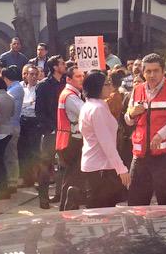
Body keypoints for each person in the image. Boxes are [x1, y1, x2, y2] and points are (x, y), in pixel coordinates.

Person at [124, 53, 166, 205]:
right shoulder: (137, 90)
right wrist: (132, 113)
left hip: (164, 158)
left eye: (156, 71)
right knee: (135, 204)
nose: (152, 75)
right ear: (143, 72)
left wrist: (162, 133)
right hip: (139, 158)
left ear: (163, 71)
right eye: (148, 71)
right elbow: (128, 121)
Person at [79, 70, 130, 208]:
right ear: (97, 87)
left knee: (101, 208)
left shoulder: (92, 105)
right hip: (100, 167)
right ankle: (76, 196)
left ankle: (77, 196)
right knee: (100, 210)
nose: (110, 87)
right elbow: (106, 142)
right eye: (106, 84)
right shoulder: (97, 109)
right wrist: (121, 168)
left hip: (96, 164)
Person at [35, 55, 67, 209]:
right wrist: (52, 127)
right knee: (46, 166)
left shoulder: (66, 84)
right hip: (50, 132)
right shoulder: (43, 86)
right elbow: (39, 111)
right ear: (55, 67)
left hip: (65, 131)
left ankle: (61, 194)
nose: (64, 65)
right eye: (62, 63)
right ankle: (43, 198)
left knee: (64, 164)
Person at [55, 65, 86, 210]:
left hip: (68, 139)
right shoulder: (70, 96)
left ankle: (66, 207)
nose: (82, 79)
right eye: (78, 76)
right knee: (73, 177)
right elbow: (86, 113)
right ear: (68, 79)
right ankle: (68, 209)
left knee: (70, 177)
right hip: (73, 140)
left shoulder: (70, 94)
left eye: (82, 76)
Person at [16, 64, 41, 187]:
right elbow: (20, 104)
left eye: (36, 74)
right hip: (22, 121)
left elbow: (35, 105)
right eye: (31, 74)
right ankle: (25, 178)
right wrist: (28, 103)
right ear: (26, 75)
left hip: (34, 121)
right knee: (22, 150)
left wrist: (27, 104)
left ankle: (36, 178)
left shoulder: (39, 88)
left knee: (34, 150)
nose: (34, 77)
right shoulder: (20, 87)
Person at [1, 67, 23, 194]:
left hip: (12, 125)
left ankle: (13, 181)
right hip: (10, 125)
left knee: (11, 154)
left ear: (5, 78)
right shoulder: (14, 88)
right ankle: (10, 179)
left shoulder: (15, 89)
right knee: (9, 154)